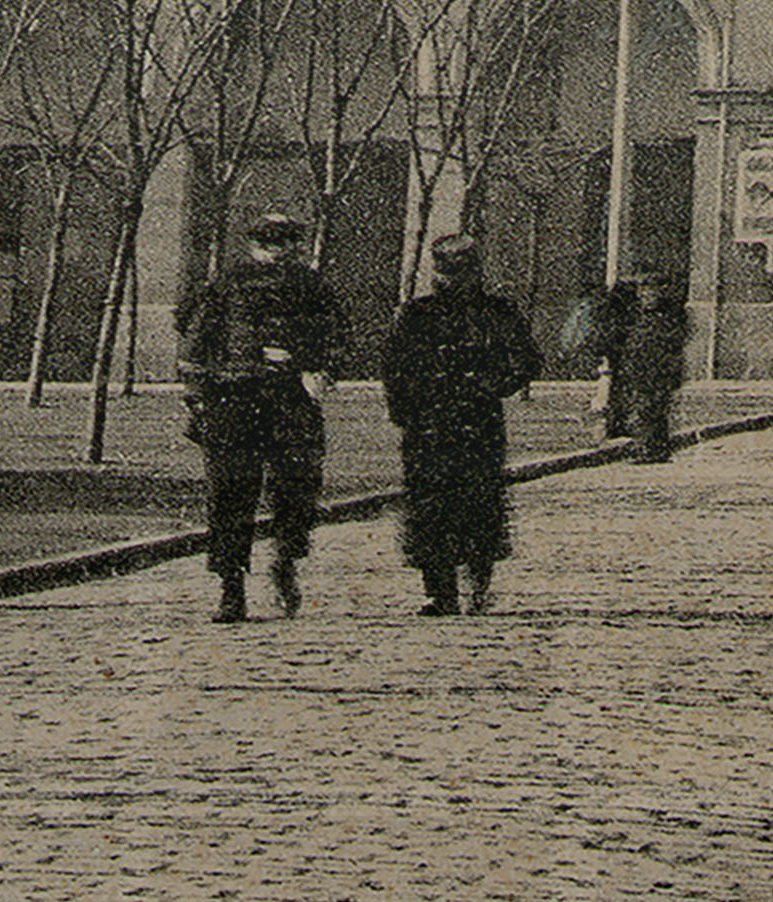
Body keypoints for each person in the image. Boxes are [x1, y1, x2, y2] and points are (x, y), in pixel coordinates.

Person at [183, 210, 347, 627]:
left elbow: (338, 335)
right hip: (234, 398)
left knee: (297, 488)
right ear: (253, 244)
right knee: (230, 496)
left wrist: (318, 368)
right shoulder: (226, 283)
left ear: (297, 244)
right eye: (268, 242)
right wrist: (198, 397)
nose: (277, 251)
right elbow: (196, 339)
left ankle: (287, 560)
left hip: (290, 398)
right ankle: (230, 587)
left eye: (285, 242)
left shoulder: (312, 286)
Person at [381, 234, 547, 617]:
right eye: (446, 272)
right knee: (430, 506)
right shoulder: (416, 315)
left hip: (477, 421)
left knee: (479, 503)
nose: (453, 280)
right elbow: (394, 368)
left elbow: (526, 359)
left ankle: (478, 578)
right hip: (428, 426)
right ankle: (440, 591)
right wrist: (405, 411)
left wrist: (495, 384)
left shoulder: (496, 312)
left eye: (461, 272)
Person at [596, 273, 688, 462]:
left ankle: (651, 449)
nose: (646, 298)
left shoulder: (665, 319)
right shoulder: (638, 318)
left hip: (657, 372)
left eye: (651, 294)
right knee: (644, 409)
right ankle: (652, 447)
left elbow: (673, 346)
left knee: (652, 410)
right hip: (639, 370)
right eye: (643, 294)